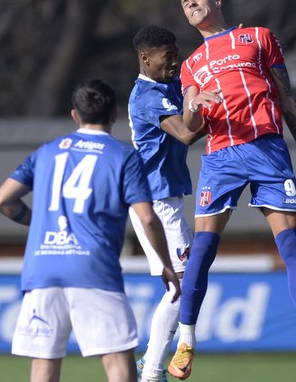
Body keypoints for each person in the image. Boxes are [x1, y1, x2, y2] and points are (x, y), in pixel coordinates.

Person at [166, 0, 296, 379]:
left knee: (291, 243)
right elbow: (189, 124)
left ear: (216, 0)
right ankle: (185, 341)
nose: (191, 5)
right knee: (202, 251)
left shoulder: (258, 37)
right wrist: (194, 106)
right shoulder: (191, 65)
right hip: (221, 155)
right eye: (185, 3)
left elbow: (287, 99)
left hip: (269, 149)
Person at [0, 79, 181, 382]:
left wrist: (37, 220)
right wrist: (167, 265)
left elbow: (2, 201)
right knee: (118, 362)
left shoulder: (46, 153)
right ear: (115, 114)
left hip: (43, 269)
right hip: (94, 269)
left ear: (75, 115)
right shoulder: (123, 156)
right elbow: (147, 218)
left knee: (44, 367)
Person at [128, 25, 204, 382]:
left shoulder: (168, 85)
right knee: (182, 285)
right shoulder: (146, 96)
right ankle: (152, 370)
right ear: (146, 59)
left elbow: (191, 94)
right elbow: (187, 132)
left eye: (176, 53)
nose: (175, 61)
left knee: (182, 283)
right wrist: (223, 109)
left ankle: (150, 365)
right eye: (167, 57)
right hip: (155, 201)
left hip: (166, 198)